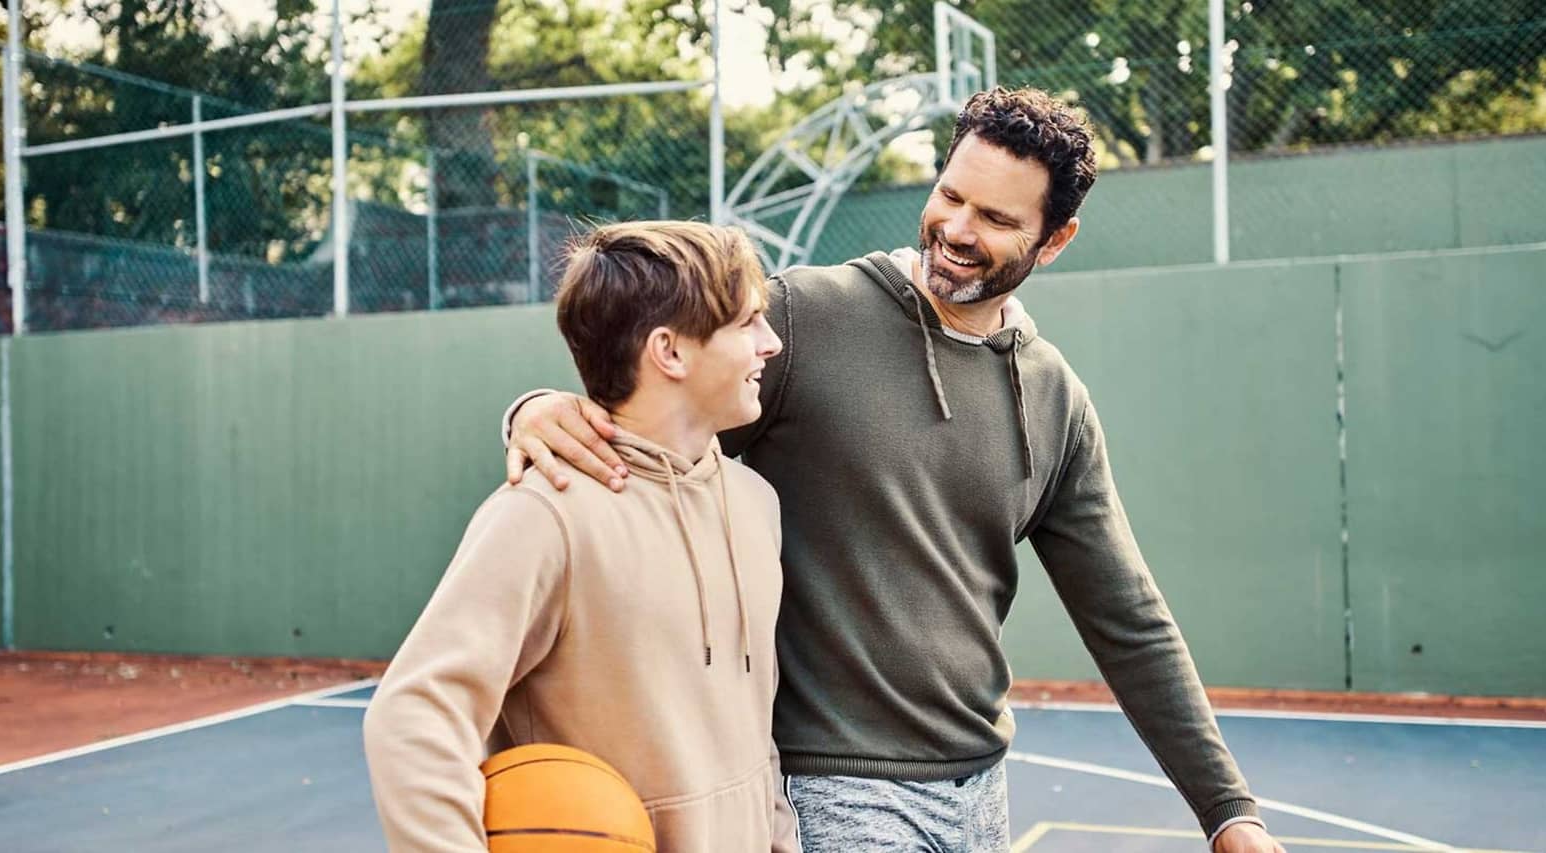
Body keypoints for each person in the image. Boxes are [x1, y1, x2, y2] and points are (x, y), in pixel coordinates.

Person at [503, 89, 1287, 853]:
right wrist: (538, 405)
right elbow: (650, 390)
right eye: (951, 194)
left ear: (1055, 239)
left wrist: (1227, 809)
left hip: (982, 791)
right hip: (832, 786)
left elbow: (1129, 619)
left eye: (996, 218)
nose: (956, 227)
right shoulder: (804, 318)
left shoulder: (1054, 397)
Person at [365, 221, 799, 852]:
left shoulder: (756, 504)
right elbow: (413, 718)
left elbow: (753, 735)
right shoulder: (545, 514)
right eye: (748, 323)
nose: (772, 344)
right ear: (669, 352)